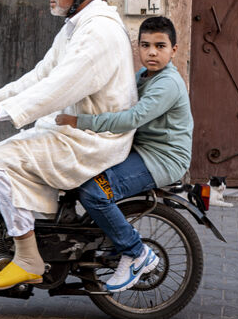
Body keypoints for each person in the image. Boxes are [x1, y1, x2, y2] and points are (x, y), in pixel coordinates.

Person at [0, 0, 137, 290]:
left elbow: (57, 89)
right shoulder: (78, 26)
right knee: (4, 156)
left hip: (92, 139)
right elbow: (42, 75)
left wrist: (0, 113)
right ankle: (36, 233)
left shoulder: (98, 33)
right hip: (72, 129)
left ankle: (28, 257)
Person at [56, 16, 193, 292]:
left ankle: (135, 253)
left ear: (174, 50)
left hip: (161, 158)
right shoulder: (143, 76)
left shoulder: (168, 84)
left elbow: (131, 118)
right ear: (137, 48)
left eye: (160, 46)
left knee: (96, 193)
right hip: (139, 148)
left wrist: (79, 121)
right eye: (145, 45)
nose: (152, 52)